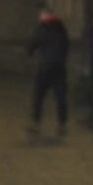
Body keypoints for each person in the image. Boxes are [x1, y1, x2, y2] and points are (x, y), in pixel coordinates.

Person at [25, 7, 70, 136]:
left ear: (45, 16)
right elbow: (66, 45)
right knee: (60, 97)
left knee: (38, 96)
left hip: (45, 66)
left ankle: (35, 123)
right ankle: (62, 124)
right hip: (59, 67)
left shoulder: (42, 28)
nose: (39, 17)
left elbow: (33, 44)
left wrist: (29, 52)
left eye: (41, 15)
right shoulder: (61, 28)